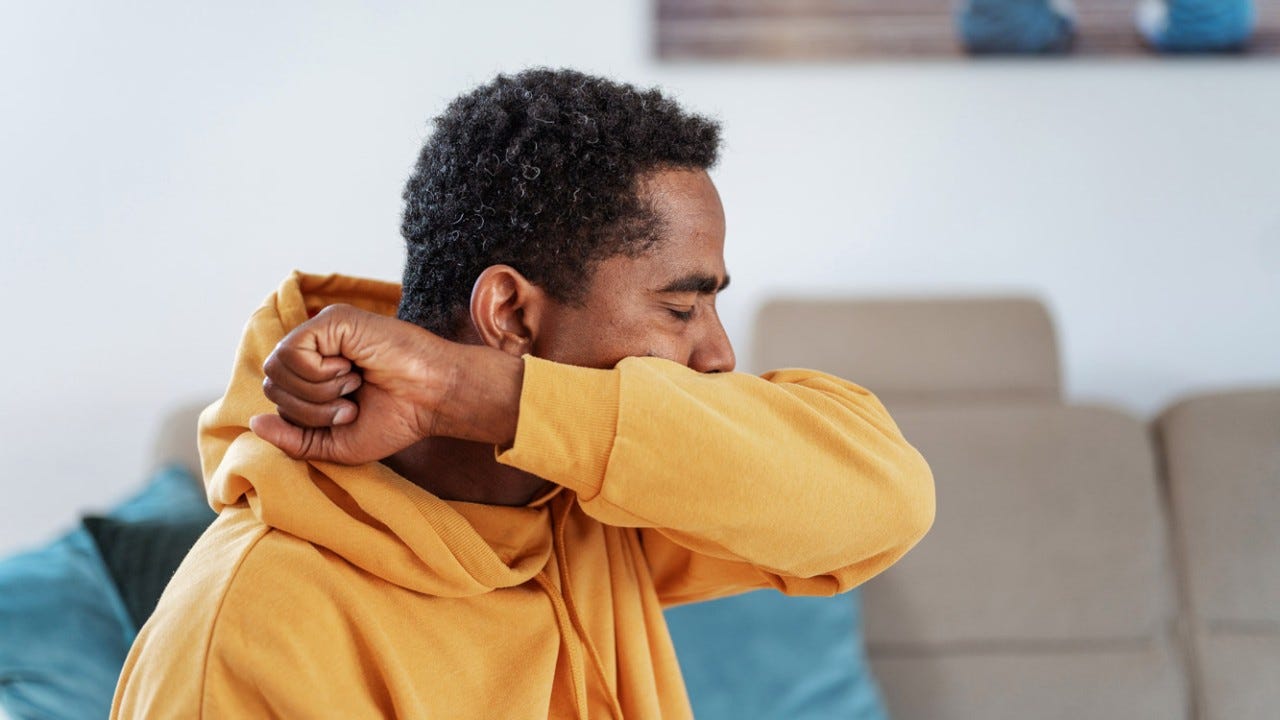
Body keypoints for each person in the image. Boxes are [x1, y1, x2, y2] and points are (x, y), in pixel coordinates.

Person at [111, 68, 935, 719]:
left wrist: (467, 391)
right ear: (509, 311)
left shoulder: (585, 500)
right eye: (681, 307)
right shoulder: (255, 628)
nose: (718, 354)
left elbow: (885, 500)